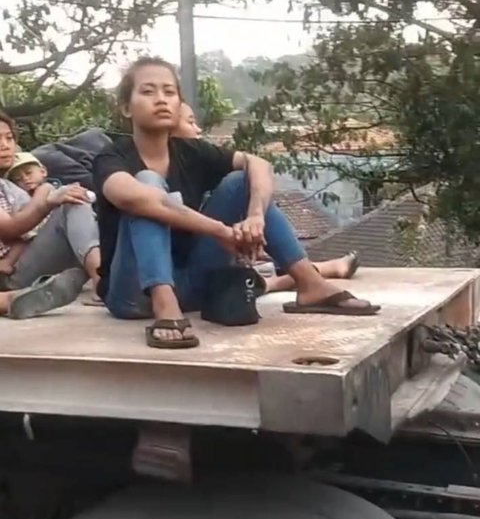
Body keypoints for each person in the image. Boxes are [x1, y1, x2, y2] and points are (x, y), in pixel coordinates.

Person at [93, 56, 379, 350]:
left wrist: (255, 216)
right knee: (148, 185)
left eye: (169, 91)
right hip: (131, 293)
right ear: (126, 107)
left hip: (192, 286)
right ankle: (163, 304)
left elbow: (259, 164)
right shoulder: (111, 157)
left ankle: (310, 284)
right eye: (148, 91)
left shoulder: (191, 151)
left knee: (240, 182)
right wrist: (221, 232)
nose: (161, 100)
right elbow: (134, 198)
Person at [171, 103, 361, 293]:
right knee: (240, 187)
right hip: (171, 286)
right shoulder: (145, 172)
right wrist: (225, 233)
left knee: (246, 187)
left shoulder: (194, 156)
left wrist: (256, 216)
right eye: (191, 122)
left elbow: (258, 164)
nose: (198, 129)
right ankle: (314, 274)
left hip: (202, 265)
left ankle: (310, 276)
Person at [0, 112, 101, 318]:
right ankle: (102, 281)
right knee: (70, 205)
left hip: (23, 260)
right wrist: (46, 199)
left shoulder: (9, 186)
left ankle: (100, 276)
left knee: (75, 200)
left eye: (9, 138)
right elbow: (9, 229)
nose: (4, 145)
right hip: (10, 273)